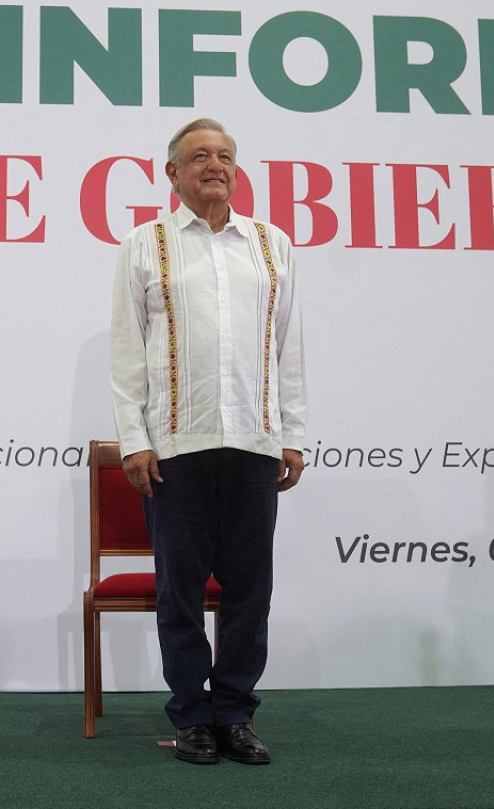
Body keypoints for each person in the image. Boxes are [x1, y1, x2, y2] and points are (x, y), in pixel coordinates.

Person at [109, 118, 307, 765]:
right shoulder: (145, 245)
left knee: (251, 589)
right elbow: (125, 354)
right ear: (173, 173)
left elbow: (289, 349)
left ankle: (236, 715)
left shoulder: (271, 244)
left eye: (224, 155)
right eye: (199, 156)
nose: (214, 164)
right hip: (175, 448)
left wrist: (294, 433)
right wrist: (134, 439)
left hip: (254, 444)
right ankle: (192, 715)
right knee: (181, 590)